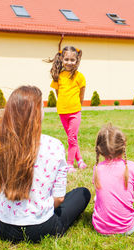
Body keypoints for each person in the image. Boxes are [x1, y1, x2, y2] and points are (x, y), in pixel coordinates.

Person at [0, 85, 90, 243]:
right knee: (82, 193)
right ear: (36, 113)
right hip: (42, 228)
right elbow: (59, 199)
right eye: (42, 106)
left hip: (3, 229)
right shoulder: (54, 146)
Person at [47, 44, 87, 172]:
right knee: (72, 138)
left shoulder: (79, 77)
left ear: (76, 61)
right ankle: (80, 160)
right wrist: (63, 104)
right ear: (62, 59)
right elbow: (58, 94)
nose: (69, 62)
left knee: (71, 138)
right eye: (66, 59)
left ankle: (69, 164)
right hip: (62, 112)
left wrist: (77, 105)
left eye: (72, 60)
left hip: (75, 111)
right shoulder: (58, 76)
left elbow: (82, 93)